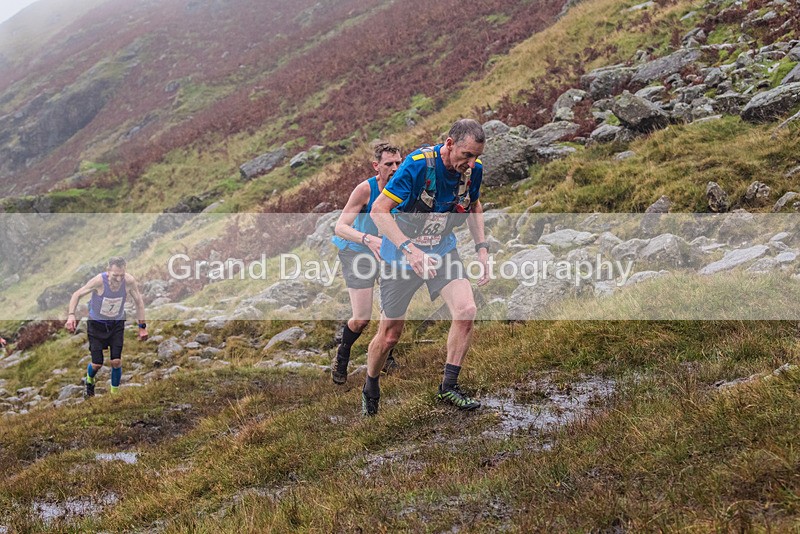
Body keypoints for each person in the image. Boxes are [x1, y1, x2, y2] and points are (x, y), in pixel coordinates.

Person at [361, 119, 490, 416]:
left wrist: (482, 249)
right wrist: (410, 250)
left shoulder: (473, 171)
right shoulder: (418, 165)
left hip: (442, 249)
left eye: (476, 157)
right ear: (449, 144)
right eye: (466, 155)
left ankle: (448, 387)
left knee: (466, 309)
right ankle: (371, 385)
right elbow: (379, 210)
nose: (471, 163)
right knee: (390, 335)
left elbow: (473, 206)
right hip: (401, 254)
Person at [331, 141, 402, 384]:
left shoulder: (404, 186)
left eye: (398, 163)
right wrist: (368, 239)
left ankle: (386, 355)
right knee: (361, 318)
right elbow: (340, 227)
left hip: (388, 253)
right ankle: (343, 354)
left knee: (390, 310)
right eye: (389, 164)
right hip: (357, 252)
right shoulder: (365, 190)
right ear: (376, 166)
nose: (395, 168)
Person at [65, 257, 148, 397]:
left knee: (116, 361)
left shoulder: (129, 281)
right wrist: (71, 315)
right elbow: (76, 294)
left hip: (116, 324)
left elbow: (139, 302)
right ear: (108, 271)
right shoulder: (99, 281)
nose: (119, 279)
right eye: (115, 275)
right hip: (96, 325)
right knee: (97, 364)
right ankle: (90, 380)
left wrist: (142, 326)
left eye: (122, 275)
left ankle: (114, 395)